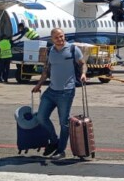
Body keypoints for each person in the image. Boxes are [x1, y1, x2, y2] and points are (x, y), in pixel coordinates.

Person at [32, 28, 87, 160]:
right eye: (57, 37)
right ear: (52, 39)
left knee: (64, 122)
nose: (60, 39)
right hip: (51, 91)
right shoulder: (50, 51)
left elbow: (83, 63)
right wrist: (39, 84)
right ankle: (54, 141)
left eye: (62, 36)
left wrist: (84, 73)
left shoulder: (73, 49)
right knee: (41, 117)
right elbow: (46, 70)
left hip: (66, 91)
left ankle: (61, 150)